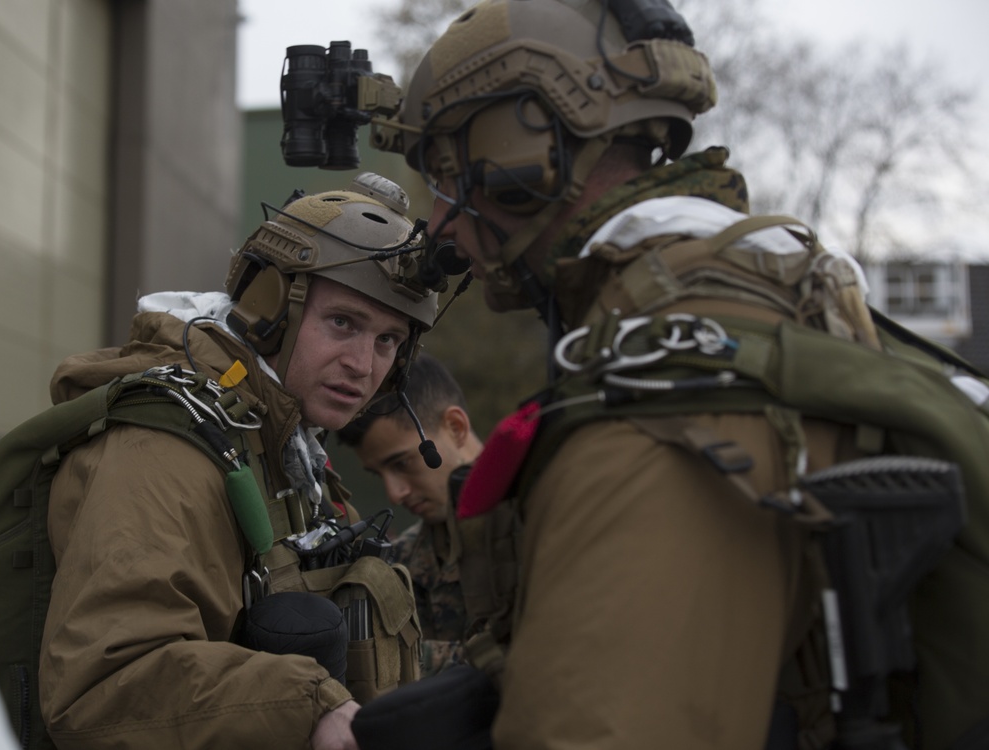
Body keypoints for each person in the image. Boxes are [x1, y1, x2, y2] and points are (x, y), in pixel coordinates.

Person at [367, 1, 989, 748]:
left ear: (521, 152)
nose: (441, 223)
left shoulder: (655, 404)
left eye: (445, 176)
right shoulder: (777, 296)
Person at [38, 173, 438, 750]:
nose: (363, 364)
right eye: (343, 323)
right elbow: (104, 688)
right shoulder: (162, 450)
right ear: (266, 308)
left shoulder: (287, 448)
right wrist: (311, 708)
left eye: (387, 341)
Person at [338, 352, 483, 676]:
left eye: (402, 463)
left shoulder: (547, 527)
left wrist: (393, 659)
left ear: (456, 428)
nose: (395, 493)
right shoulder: (404, 558)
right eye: (379, 475)